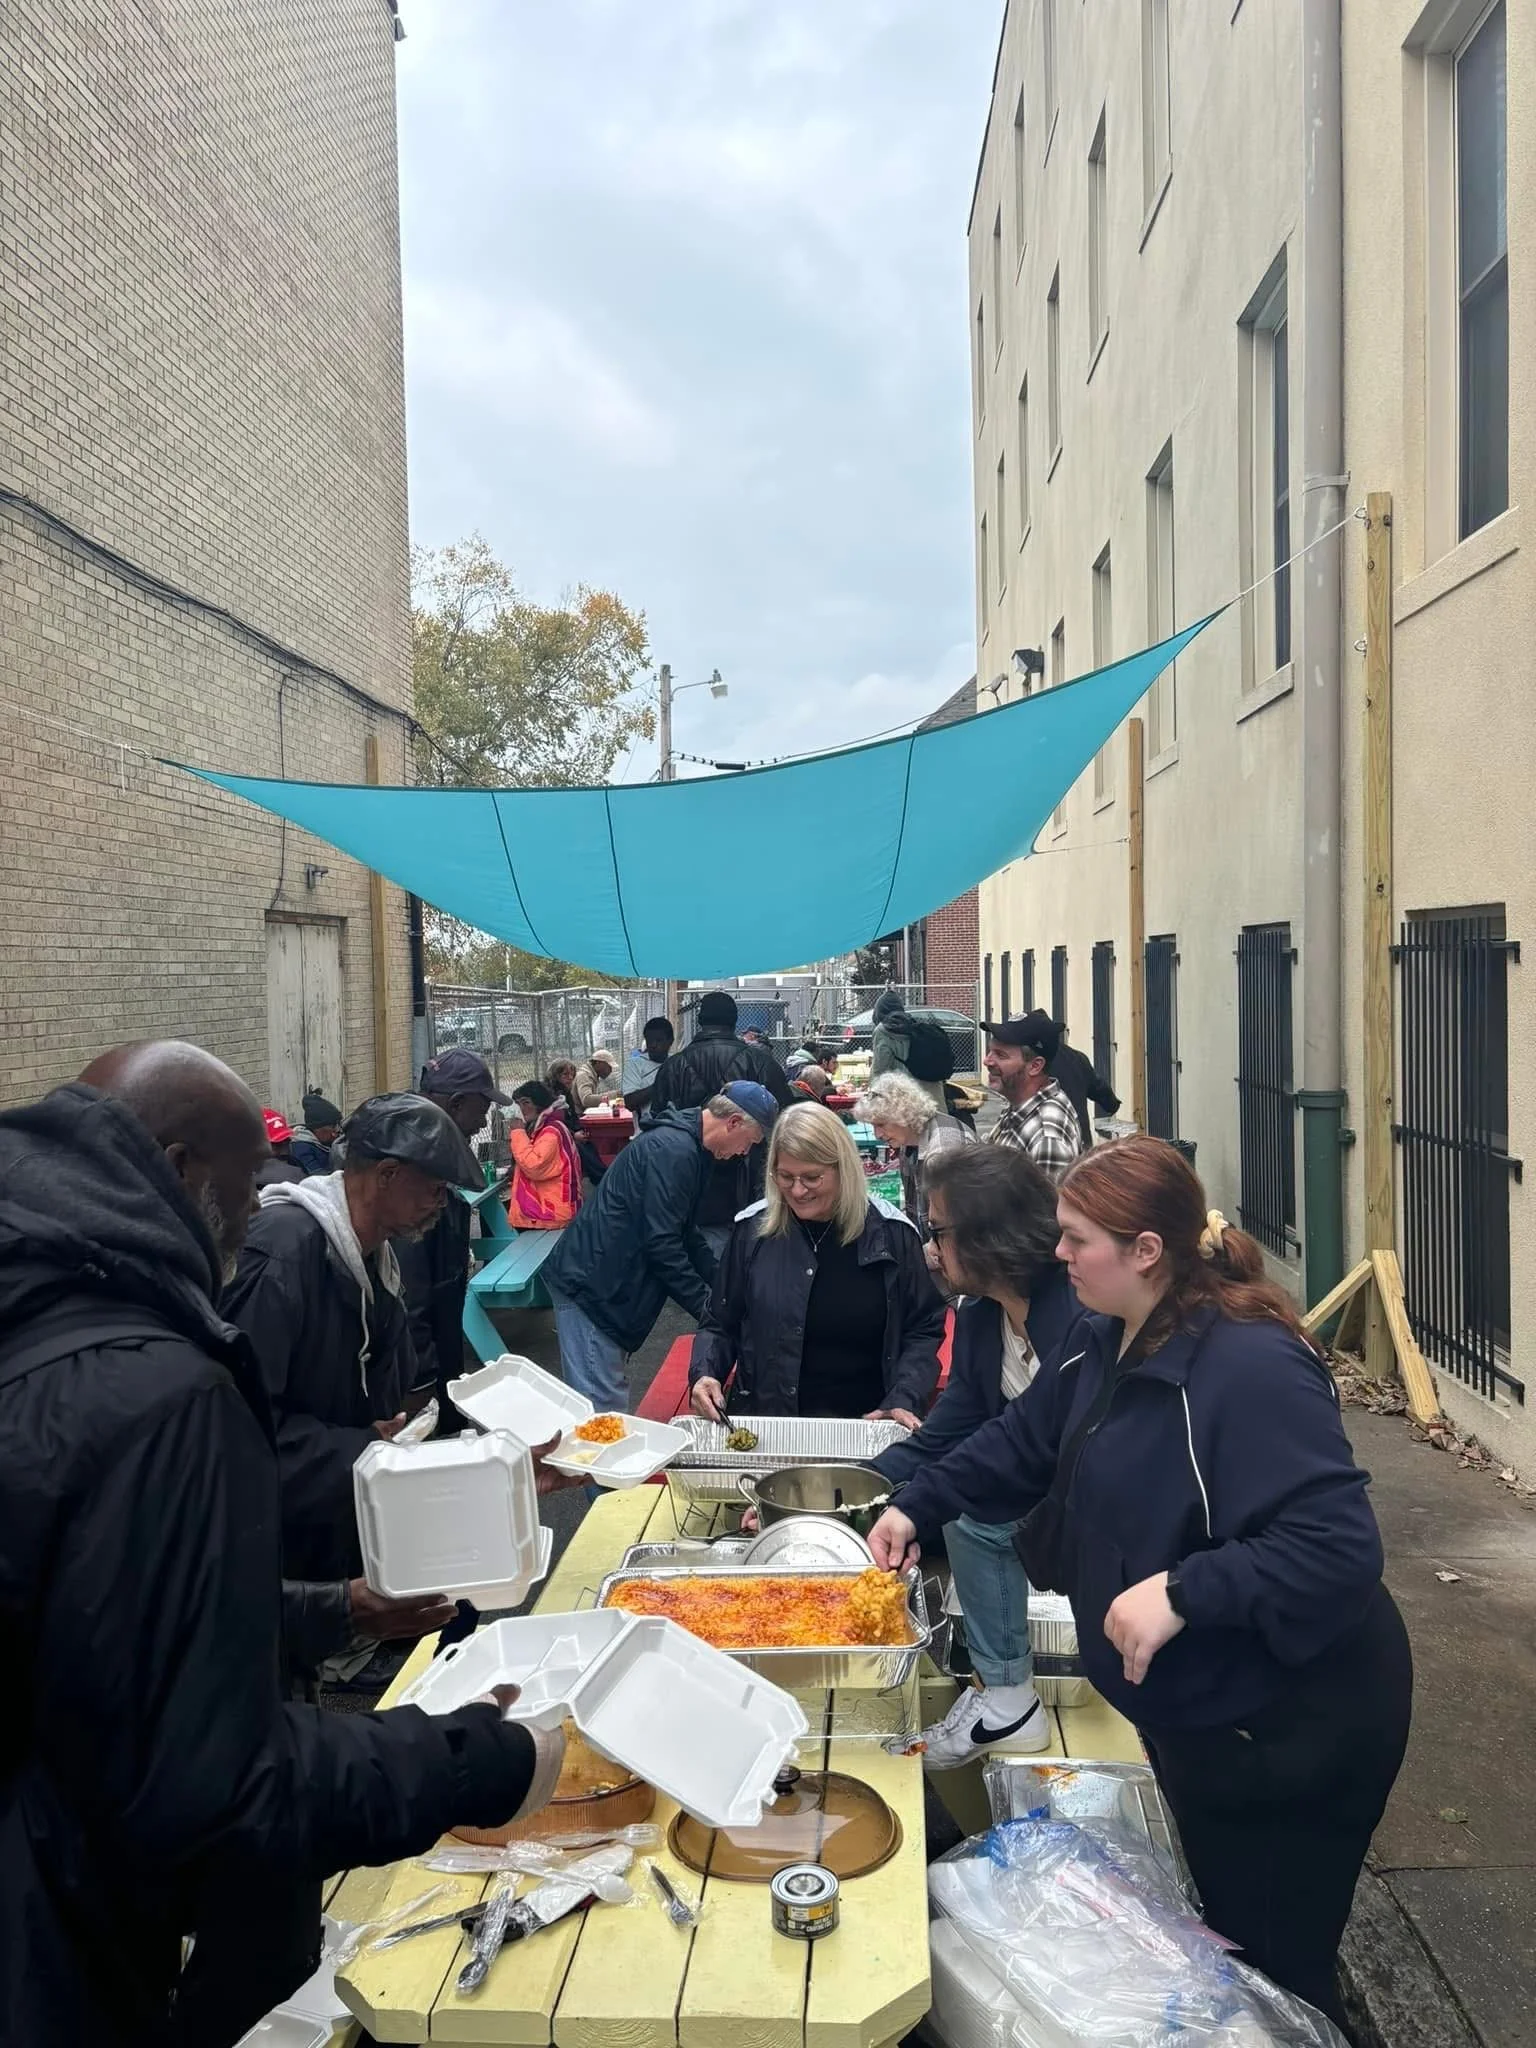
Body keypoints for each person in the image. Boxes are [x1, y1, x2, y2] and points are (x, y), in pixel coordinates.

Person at [0, 1042, 563, 2048]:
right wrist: (476, 1757)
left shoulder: (49, 1298)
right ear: (176, 1170)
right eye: (241, 1179)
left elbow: (116, 1613)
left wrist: (334, 1606)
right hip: (55, 1935)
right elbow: (214, 1775)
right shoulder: (173, 1377)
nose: (257, 1202)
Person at [869, 1136, 1411, 2026]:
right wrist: (916, 1505)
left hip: (1294, 1724)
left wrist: (1184, 1591)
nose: (1058, 1253)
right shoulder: (1100, 1335)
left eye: (1078, 1238)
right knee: (1226, 1935)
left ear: (1147, 1251)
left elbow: (1336, 1547)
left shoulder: (1252, 1365)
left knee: (1278, 1961)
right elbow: (1019, 1442)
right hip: (1202, 1712)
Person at [871, 1146, 1081, 1766]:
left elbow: (1022, 1438)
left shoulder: (1075, 1317)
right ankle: (1004, 1694)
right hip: (1050, 1486)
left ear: (990, 1237)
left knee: (978, 1516)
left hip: (1103, 1502)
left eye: (936, 1231)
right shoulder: (983, 1313)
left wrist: (916, 1502)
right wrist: (854, 1490)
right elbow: (953, 1425)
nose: (928, 1248)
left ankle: (1010, 1699)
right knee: (971, 1513)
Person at [222, 1092, 482, 1587]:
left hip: (343, 1525)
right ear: (386, 1175)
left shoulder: (375, 1254)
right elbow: (241, 1431)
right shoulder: (282, 1254)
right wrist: (361, 1448)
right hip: (289, 1559)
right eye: (433, 1187)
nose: (440, 1203)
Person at [690, 1102, 944, 1425]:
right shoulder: (752, 1232)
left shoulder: (893, 1235)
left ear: (843, 1169)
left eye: (812, 1177)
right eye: (785, 1176)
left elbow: (922, 1328)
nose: (797, 1190)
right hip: (771, 1425)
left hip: (868, 1424)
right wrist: (705, 1372)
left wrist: (905, 1396)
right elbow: (719, 1322)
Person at [543, 1081, 776, 1412]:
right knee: (600, 1411)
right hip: (593, 1287)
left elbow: (686, 1232)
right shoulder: (675, 1151)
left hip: (608, 1281)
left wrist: (724, 1287)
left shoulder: (692, 1147)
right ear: (734, 1123)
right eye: (749, 1143)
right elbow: (663, 1246)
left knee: (604, 1396)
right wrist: (711, 1311)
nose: (745, 1153)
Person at [394, 1047, 507, 1417]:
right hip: (417, 1383)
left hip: (441, 1359)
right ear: (456, 1103)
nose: (484, 1120)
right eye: (482, 1108)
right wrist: (424, 1389)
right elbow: (410, 1301)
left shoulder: (433, 1154)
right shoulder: (410, 1173)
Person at [648, 990, 792, 1261]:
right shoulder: (760, 1062)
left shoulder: (673, 1066)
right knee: (752, 1261)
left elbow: (659, 1124)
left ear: (699, 1020)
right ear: (734, 1021)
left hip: (692, 1184)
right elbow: (786, 1122)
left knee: (701, 1258)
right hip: (752, 1182)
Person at [856, 1070, 974, 1238]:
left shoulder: (943, 1151)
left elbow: (955, 1230)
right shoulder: (911, 1138)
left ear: (904, 1114)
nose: (877, 1135)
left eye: (881, 1124)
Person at [983, 1011, 1082, 1182]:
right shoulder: (1021, 1106)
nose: (987, 1061)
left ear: (1035, 1066)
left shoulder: (1047, 1137)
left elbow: (1048, 1207)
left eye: (1000, 1055)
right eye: (989, 1051)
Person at [507, 1079, 582, 1228]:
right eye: (519, 1104)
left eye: (526, 1103)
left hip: (551, 1213)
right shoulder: (547, 1127)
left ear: (540, 1104)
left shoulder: (551, 1132)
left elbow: (534, 1166)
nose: (522, 1109)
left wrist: (517, 1132)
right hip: (551, 1209)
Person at [870, 989, 952, 1113]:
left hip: (909, 1099)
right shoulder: (912, 1024)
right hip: (934, 1097)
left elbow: (880, 1068)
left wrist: (872, 1096)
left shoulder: (883, 1031)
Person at [1049, 1022, 1121, 1148]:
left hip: (1052, 1136)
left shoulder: (1035, 1063)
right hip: (1081, 1137)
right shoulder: (1077, 1057)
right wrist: (1112, 1104)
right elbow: (1098, 1086)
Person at [621, 1016, 675, 1114]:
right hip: (646, 1128)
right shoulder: (635, 1064)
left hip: (677, 1125)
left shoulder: (677, 1062)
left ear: (670, 1041)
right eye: (650, 1040)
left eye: (659, 1040)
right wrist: (660, 1085)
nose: (653, 1045)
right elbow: (629, 1103)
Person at [289, 1090, 341, 1175]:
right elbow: (318, 1178)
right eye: (333, 1126)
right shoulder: (301, 1148)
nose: (336, 1131)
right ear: (318, 1129)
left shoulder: (324, 1141)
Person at [256, 1108, 305, 1187]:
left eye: (286, 1141)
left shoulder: (294, 1163)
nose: (284, 1151)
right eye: (276, 1145)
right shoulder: (295, 1174)